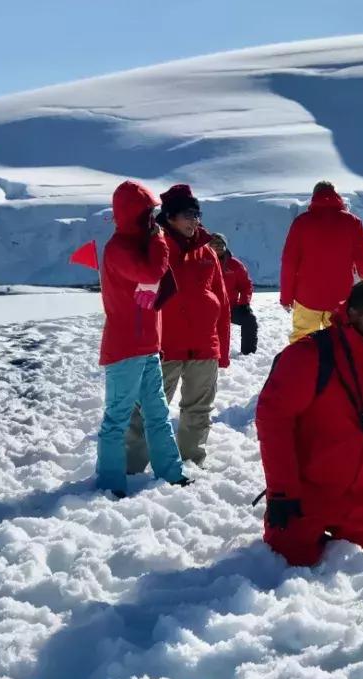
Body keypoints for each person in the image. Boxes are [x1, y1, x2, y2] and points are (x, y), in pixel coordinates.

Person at [257, 278, 363, 567]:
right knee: (285, 566)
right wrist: (282, 491)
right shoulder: (310, 355)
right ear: (352, 314)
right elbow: (274, 420)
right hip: (306, 494)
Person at [126, 184, 230, 471]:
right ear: (170, 216)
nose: (194, 220)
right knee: (147, 411)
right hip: (165, 346)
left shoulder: (207, 252)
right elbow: (138, 299)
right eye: (187, 214)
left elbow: (221, 300)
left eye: (197, 214)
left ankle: (190, 463)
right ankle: (130, 467)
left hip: (204, 345)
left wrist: (221, 347)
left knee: (198, 411)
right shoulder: (155, 246)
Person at [96, 180, 189, 496]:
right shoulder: (119, 249)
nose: (154, 219)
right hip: (125, 347)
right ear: (134, 215)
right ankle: (110, 484)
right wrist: (160, 239)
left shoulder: (137, 244)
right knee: (116, 419)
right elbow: (151, 274)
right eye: (149, 213)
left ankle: (172, 473)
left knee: (158, 414)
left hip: (147, 345)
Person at [280, 181, 363, 344]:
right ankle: (336, 369)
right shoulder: (353, 222)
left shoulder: (302, 222)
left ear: (314, 196)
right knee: (339, 342)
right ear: (336, 196)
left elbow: (289, 262)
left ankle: (302, 368)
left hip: (306, 297)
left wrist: (286, 297)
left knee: (302, 341)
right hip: (340, 297)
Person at [210, 232, 258, 356]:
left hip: (230, 307)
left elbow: (246, 285)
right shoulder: (203, 262)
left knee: (250, 320)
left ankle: (248, 354)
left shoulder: (235, 265)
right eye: (214, 244)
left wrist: (244, 303)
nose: (217, 247)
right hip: (208, 308)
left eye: (220, 244)